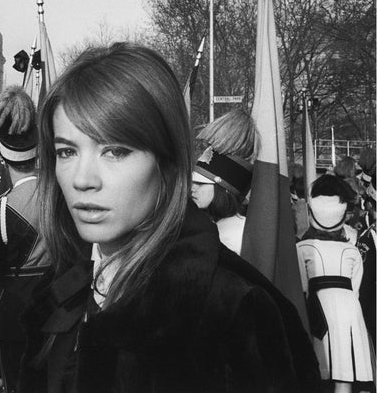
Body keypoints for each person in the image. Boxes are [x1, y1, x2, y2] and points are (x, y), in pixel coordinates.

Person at [19, 43, 321, 392]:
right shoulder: (57, 292)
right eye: (67, 151)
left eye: (115, 151)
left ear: (168, 163)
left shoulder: (236, 309)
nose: (83, 179)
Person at [0, 86, 51, 393]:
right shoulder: (58, 197)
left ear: (3, 156)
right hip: (55, 309)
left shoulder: (2, 207)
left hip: (14, 315)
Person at [297, 174, 374, 391]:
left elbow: (302, 288)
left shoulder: (302, 248)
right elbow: (356, 289)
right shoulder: (352, 249)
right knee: (345, 373)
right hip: (349, 312)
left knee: (319, 373)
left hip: (317, 310)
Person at [190, 109, 258, 255]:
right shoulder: (208, 227)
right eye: (193, 182)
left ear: (225, 189)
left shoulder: (241, 236)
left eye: (201, 183)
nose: (192, 188)